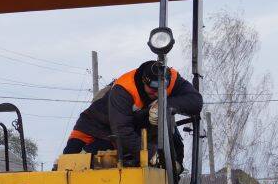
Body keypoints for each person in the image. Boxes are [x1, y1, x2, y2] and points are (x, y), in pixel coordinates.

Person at [64, 60, 203, 168]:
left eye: (161, 89)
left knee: (169, 144)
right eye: (152, 89)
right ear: (143, 81)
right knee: (69, 164)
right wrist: (152, 154)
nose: (157, 94)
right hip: (94, 127)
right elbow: (122, 132)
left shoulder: (171, 78)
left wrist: (165, 105)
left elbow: (196, 102)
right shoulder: (124, 89)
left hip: (127, 131)